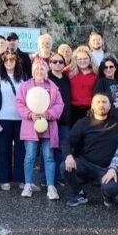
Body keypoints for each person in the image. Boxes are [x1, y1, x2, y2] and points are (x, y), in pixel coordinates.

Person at [61, 94, 118, 206]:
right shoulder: (83, 123)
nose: (101, 105)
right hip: (86, 164)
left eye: (104, 102)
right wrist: (69, 156)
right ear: (92, 106)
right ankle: (79, 194)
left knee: (112, 190)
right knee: (65, 167)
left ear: (109, 106)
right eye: (98, 102)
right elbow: (67, 141)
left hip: (108, 169)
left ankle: (106, 195)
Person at [15, 59, 65, 200]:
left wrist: (47, 114)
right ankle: (28, 184)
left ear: (46, 71)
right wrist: (30, 114)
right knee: (29, 157)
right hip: (31, 126)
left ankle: (51, 187)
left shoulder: (53, 87)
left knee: (49, 157)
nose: (39, 71)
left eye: (42, 69)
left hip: (48, 127)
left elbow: (59, 105)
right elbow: (19, 103)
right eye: (36, 69)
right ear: (32, 71)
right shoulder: (25, 86)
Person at [0, 50, 27, 190]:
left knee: (21, 150)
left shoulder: (23, 76)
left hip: (21, 118)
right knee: (2, 149)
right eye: (6, 59)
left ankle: (21, 179)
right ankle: (4, 179)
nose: (9, 62)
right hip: (3, 118)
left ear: (17, 60)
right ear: (2, 61)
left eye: (12, 59)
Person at [48, 53, 72, 184]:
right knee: (49, 150)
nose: (57, 64)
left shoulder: (66, 79)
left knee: (63, 149)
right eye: (54, 61)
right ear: (50, 63)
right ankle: (46, 178)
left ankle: (61, 176)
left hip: (65, 120)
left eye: (60, 62)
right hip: (50, 120)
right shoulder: (47, 78)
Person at [69, 47, 97, 125]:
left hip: (91, 111)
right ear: (75, 60)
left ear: (90, 59)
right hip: (74, 111)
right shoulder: (69, 72)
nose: (82, 61)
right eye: (80, 59)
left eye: (85, 58)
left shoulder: (96, 74)